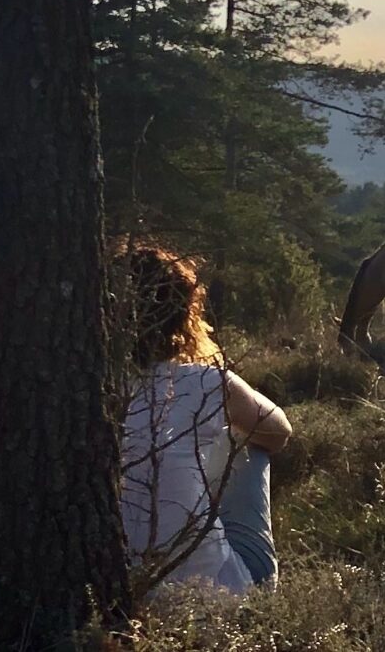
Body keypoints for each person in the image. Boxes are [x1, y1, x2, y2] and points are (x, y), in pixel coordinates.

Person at [118, 243, 292, 597]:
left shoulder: (89, 391)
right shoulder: (206, 379)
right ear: (185, 311)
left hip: (122, 594)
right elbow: (278, 431)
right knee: (249, 443)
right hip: (223, 596)